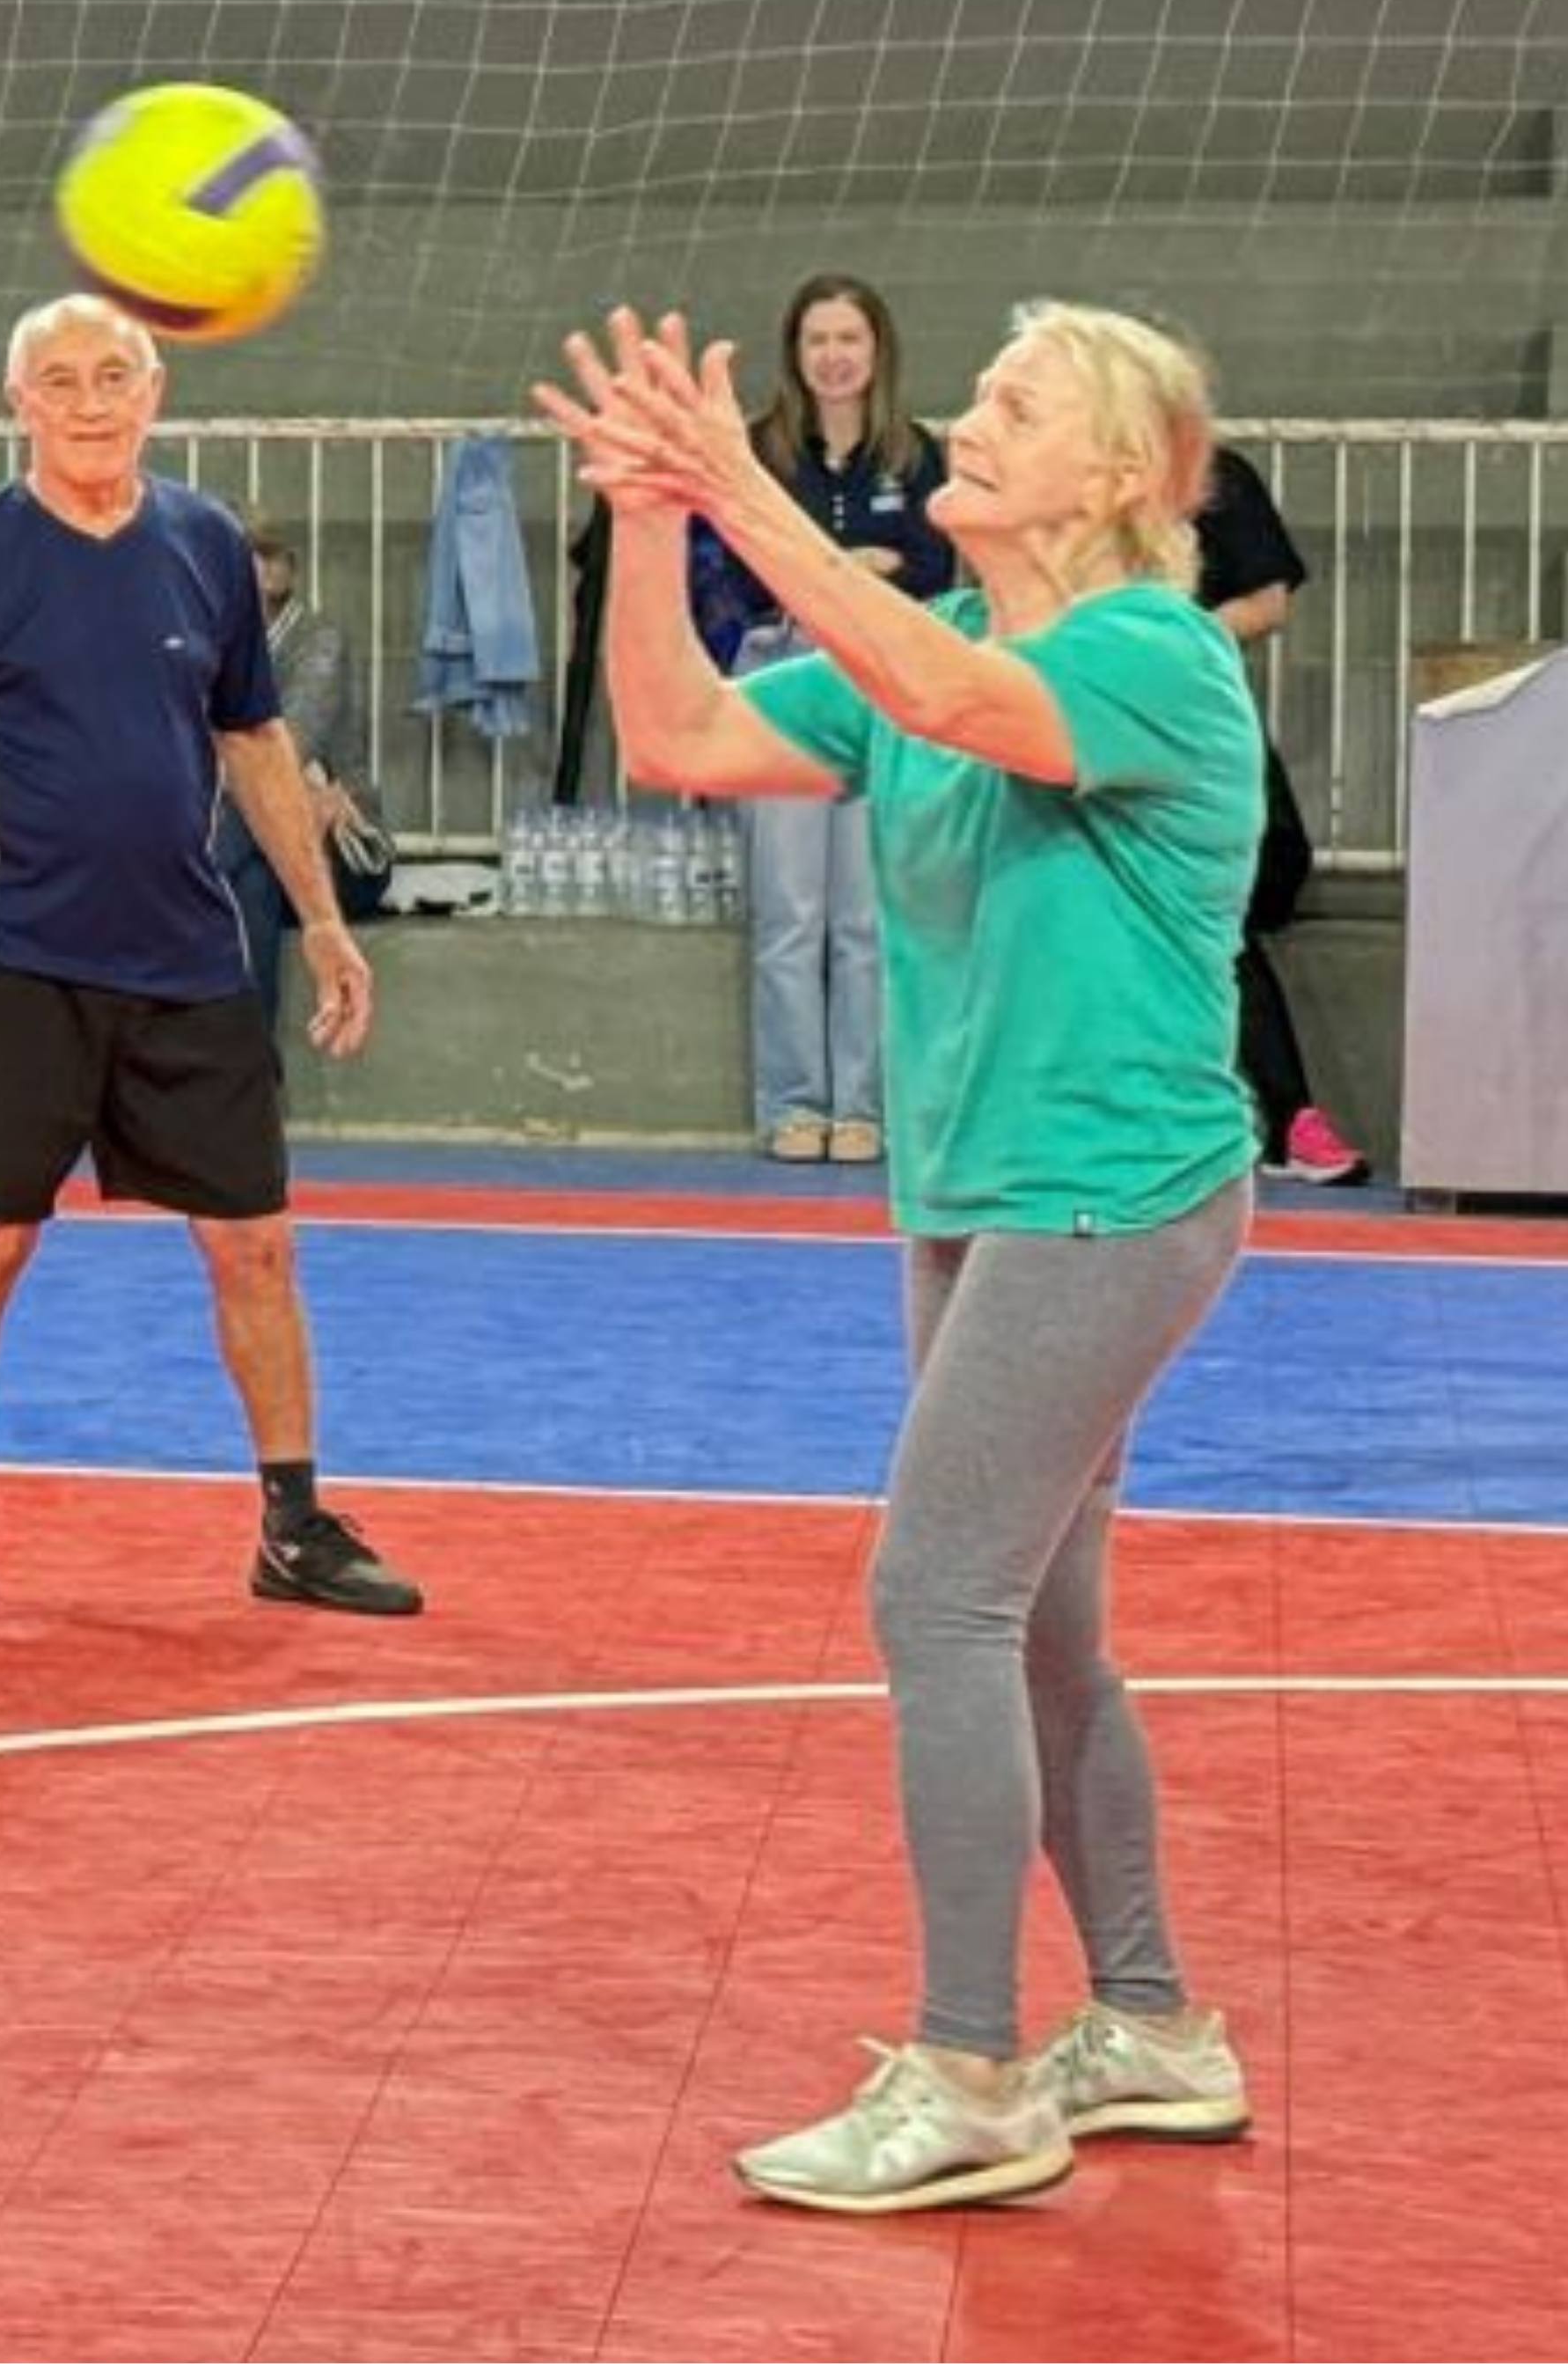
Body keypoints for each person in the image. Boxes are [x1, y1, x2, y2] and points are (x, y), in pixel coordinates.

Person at [540, 298, 1262, 2216]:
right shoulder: (923, 643)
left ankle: (966, 2069)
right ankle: (1149, 2025)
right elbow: (675, 732)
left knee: (928, 1591)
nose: (964, 411)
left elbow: (954, 717)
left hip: (1104, 1193)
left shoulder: (1149, 653)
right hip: (981, 1195)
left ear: (1116, 476)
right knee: (1031, 1621)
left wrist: (739, 486)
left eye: (1014, 402)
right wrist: (643, 515)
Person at [0, 292, 423, 1619]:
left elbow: (257, 745)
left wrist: (322, 917)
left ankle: (291, 1521)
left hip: (187, 957)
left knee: (257, 1244)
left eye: (115, 375)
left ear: (154, 395)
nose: (91, 399)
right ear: (18, 404)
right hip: (9, 955)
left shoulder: (206, 543)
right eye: (61, 379)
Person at [708, 275, 955, 1165]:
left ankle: (862, 1104)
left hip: (881, 682)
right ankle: (791, 1104)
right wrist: (848, 568)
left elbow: (932, 564)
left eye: (848, 337)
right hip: (784, 673)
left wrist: (827, 568)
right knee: (788, 910)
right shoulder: (761, 450)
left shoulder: (913, 453)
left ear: (875, 348)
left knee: (865, 916)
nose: (833, 355)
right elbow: (740, 573)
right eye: (816, 340)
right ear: (794, 353)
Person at [1189, 444, 1370, 1184]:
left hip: (1192, 718)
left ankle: (1289, 1116)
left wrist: (1167, 635)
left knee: (1223, 919)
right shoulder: (1058, 481)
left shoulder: (1212, 474)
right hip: (1081, 726)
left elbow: (1267, 601)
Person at [206, 522, 392, 1018]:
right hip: (258, 847)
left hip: (337, 855)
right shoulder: (201, 642)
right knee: (256, 876)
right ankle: (254, 1070)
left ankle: (183, 880)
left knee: (258, 832)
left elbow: (278, 756)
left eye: (268, 558)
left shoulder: (317, 641)